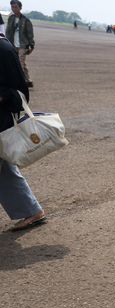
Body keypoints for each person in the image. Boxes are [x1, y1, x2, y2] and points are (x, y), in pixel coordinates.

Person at [0, 29, 45, 231]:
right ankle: (31, 210)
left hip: (1, 121)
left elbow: (20, 94)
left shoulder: (3, 49)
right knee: (5, 172)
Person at [6, 0, 35, 88]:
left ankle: (20, 82)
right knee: (19, 63)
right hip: (13, 44)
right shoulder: (11, 18)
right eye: (12, 7)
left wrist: (31, 46)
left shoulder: (26, 20)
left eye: (15, 7)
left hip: (23, 45)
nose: (13, 9)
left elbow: (30, 34)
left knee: (20, 63)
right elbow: (8, 31)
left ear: (20, 8)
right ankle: (28, 80)